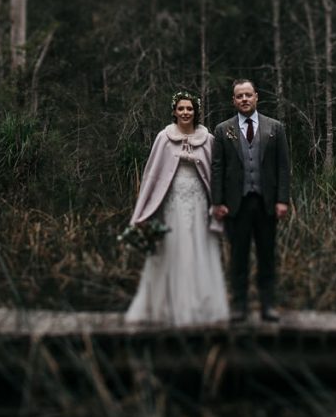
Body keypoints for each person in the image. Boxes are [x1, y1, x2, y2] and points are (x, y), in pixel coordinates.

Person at [124, 91, 229, 326]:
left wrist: (219, 202)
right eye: (181, 109)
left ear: (195, 112)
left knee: (199, 246)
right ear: (174, 111)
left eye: (189, 109)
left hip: (200, 199)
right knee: (173, 247)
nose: (185, 112)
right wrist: (144, 211)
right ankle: (168, 307)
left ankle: (200, 306)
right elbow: (152, 175)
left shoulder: (208, 138)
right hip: (172, 199)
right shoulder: (164, 137)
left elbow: (215, 173)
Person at [211, 79, 290, 323]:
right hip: (237, 203)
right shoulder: (223, 130)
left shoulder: (275, 127)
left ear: (256, 97)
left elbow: (283, 167)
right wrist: (218, 202)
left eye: (248, 95)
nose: (244, 99)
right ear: (233, 101)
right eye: (239, 96)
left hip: (266, 203)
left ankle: (267, 305)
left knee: (267, 254)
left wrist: (282, 200)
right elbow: (217, 168)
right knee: (238, 256)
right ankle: (240, 306)